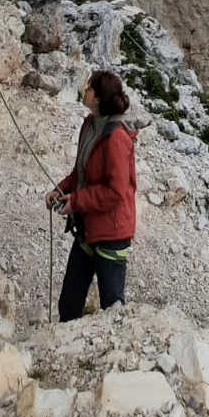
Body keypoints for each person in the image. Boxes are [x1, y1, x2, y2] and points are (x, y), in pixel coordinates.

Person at [46, 70, 138, 322]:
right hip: (88, 227)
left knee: (112, 309)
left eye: (89, 88)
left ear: (97, 97)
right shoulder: (89, 125)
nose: (84, 90)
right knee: (69, 302)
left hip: (111, 234)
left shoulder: (117, 137)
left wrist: (76, 201)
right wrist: (61, 190)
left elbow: (116, 191)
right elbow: (81, 171)